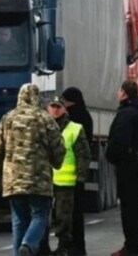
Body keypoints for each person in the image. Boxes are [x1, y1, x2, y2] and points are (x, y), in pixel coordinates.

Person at [0, 83, 66, 256]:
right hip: (39, 180)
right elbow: (58, 148)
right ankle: (29, 245)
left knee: (19, 220)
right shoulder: (45, 119)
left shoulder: (7, 118)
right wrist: (56, 163)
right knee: (39, 216)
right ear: (37, 98)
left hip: (13, 181)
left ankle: (19, 252)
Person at [107, 81, 138, 256]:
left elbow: (120, 140)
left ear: (124, 93)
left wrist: (111, 156)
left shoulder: (126, 114)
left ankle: (131, 246)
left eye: (119, 90)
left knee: (128, 208)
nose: (118, 93)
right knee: (137, 206)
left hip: (128, 165)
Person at [43, 96, 91, 256]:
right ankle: (43, 247)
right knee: (43, 216)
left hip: (66, 182)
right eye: (53, 106)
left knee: (64, 217)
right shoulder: (42, 127)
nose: (55, 110)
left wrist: (81, 178)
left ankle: (64, 246)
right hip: (45, 181)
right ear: (48, 108)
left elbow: (83, 155)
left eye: (59, 107)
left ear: (65, 109)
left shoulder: (75, 129)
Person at [60, 87, 92, 256]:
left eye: (64, 101)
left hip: (66, 175)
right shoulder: (86, 117)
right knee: (77, 213)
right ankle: (79, 247)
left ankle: (70, 246)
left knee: (66, 215)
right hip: (78, 174)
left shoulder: (71, 120)